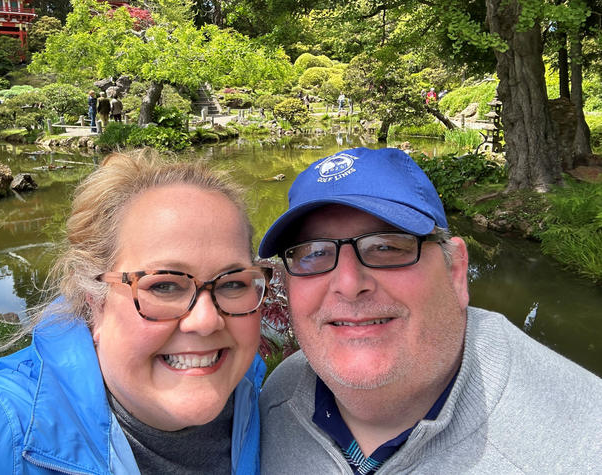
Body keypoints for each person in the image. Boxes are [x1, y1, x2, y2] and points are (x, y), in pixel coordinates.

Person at [0, 150, 270, 474]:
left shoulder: (260, 393)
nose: (205, 320)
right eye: (163, 285)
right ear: (93, 302)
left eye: (233, 282)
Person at [257, 147, 602, 473]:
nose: (348, 283)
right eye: (314, 252)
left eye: (386, 246)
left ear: (456, 271)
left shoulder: (581, 445)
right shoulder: (277, 399)